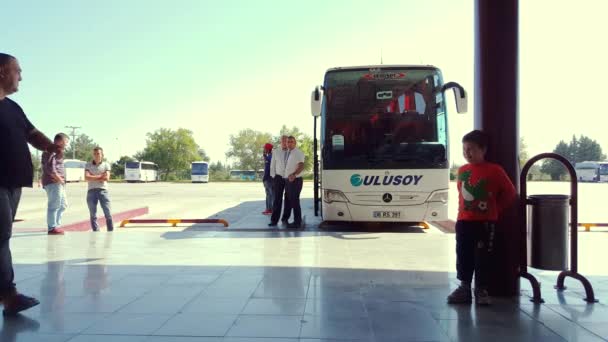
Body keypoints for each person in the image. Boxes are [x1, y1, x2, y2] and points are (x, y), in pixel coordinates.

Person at [0, 52, 61, 315]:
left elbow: (31, 133)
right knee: (1, 237)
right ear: (2, 71)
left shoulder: (12, 107)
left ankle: (7, 293)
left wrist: (50, 146)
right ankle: (9, 295)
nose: (21, 76)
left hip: (13, 183)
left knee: (2, 237)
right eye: (17, 70)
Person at [447, 130, 516, 306]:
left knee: (483, 256)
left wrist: (495, 210)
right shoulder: (462, 170)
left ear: (483, 149)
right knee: (463, 254)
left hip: (485, 223)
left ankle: (481, 289)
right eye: (464, 149)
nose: (467, 153)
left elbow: (510, 193)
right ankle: (464, 287)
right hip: (464, 222)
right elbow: (461, 195)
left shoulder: (495, 170)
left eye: (471, 149)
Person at [41, 133, 70, 235]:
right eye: (66, 142)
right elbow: (49, 167)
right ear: (61, 141)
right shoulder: (51, 150)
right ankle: (52, 227)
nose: (67, 144)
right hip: (53, 182)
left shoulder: (57, 150)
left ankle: (56, 225)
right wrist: (58, 178)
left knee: (63, 205)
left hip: (59, 182)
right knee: (54, 205)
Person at [85, 147, 114, 231]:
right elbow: (86, 177)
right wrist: (100, 176)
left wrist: (92, 176)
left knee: (108, 213)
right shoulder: (88, 164)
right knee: (93, 215)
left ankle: (110, 231)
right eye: (95, 154)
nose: (96, 155)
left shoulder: (106, 165)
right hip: (91, 192)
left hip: (103, 191)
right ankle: (96, 232)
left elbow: (106, 178)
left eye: (98, 153)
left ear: (102, 155)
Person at [269, 135, 292, 226]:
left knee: (288, 199)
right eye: (283, 141)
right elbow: (272, 165)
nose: (284, 142)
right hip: (278, 178)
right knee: (277, 199)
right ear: (280, 142)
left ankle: (285, 219)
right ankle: (274, 220)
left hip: (289, 178)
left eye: (286, 141)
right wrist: (274, 176)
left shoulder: (292, 151)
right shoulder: (276, 151)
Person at [284, 136, 306, 229]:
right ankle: (286, 219)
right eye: (288, 142)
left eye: (291, 142)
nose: (289, 143)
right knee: (288, 201)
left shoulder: (298, 153)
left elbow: (301, 166)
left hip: (295, 180)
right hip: (288, 180)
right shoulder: (289, 153)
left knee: (295, 201)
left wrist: (294, 174)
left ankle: (297, 222)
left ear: (295, 143)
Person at [262, 143, 274, 215]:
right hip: (269, 179)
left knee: (270, 195)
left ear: (267, 149)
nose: (263, 149)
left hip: (269, 179)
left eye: (264, 148)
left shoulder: (270, 157)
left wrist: (264, 178)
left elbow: (268, 169)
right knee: (269, 194)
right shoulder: (269, 156)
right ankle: (269, 209)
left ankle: (270, 209)